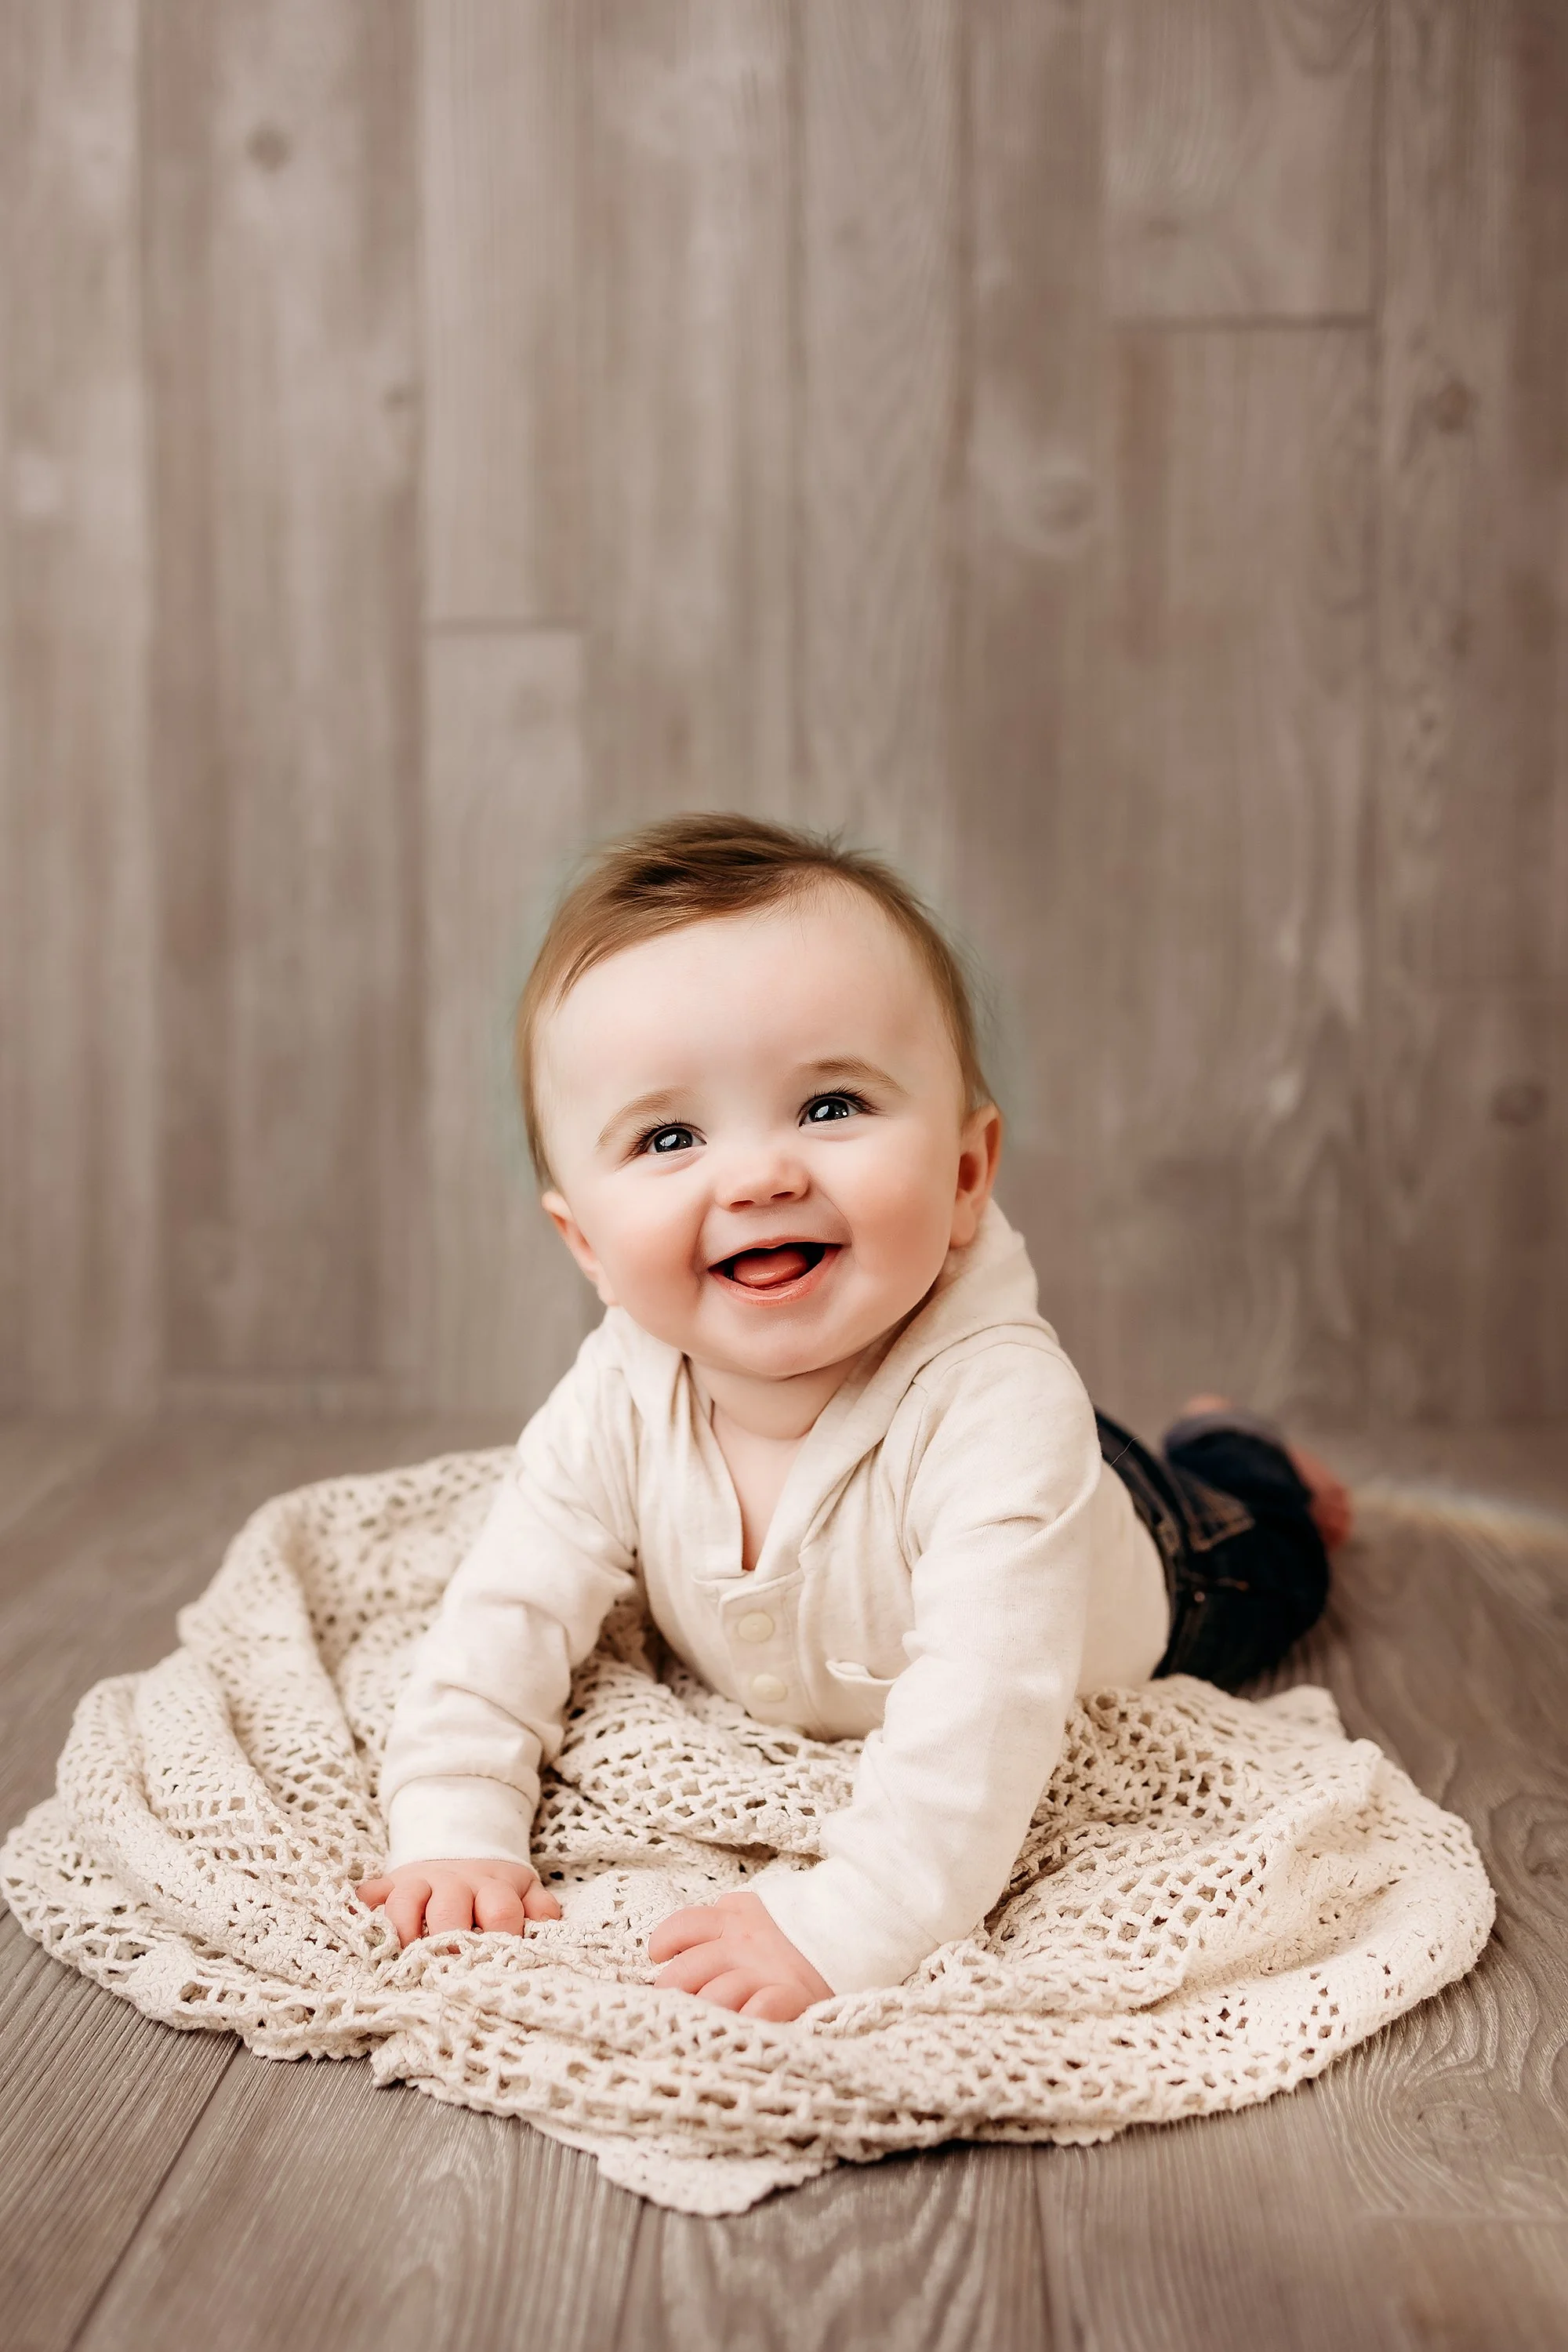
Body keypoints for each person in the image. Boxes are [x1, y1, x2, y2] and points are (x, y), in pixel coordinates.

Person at [357, 814, 1350, 2020]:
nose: (762, 1176)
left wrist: (851, 1919)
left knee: (1275, 1543)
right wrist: (455, 1817)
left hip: (1170, 1570)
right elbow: (502, 1610)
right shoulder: (620, 1392)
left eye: (831, 1107)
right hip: (1017, 1497)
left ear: (967, 1173)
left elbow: (987, 1712)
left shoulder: (996, 1404)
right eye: (670, 1136)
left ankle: (1235, 1446)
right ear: (587, 1247)